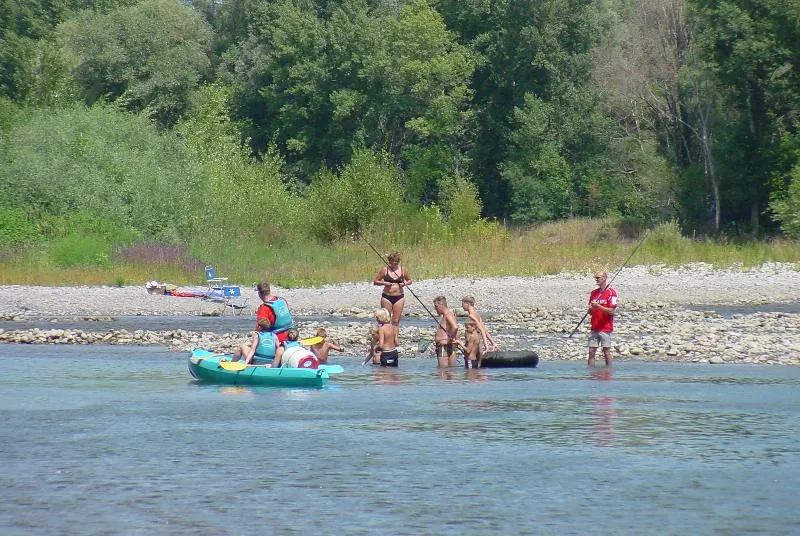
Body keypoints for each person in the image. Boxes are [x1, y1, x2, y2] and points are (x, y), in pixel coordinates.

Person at [373, 252, 412, 326]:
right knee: (385, 319)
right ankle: (385, 332)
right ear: (389, 261)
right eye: (393, 261)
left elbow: (410, 281)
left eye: (396, 261)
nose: (394, 263)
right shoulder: (385, 270)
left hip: (399, 297)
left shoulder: (403, 269)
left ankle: (395, 333)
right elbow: (375, 281)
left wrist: (404, 283)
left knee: (396, 320)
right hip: (387, 297)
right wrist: (384, 283)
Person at [587, 271, 618, 367]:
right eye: (595, 278)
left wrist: (598, 306)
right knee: (591, 351)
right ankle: (591, 372)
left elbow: (612, 311)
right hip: (594, 327)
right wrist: (590, 309)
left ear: (604, 278)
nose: (596, 279)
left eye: (598, 277)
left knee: (606, 351)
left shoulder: (611, 293)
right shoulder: (593, 293)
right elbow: (590, 312)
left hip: (605, 327)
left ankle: (609, 371)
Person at [433, 296, 459, 367]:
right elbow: (456, 329)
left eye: (436, 306)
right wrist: (456, 339)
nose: (435, 309)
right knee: (451, 370)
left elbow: (455, 327)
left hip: (444, 345)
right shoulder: (447, 315)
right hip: (448, 345)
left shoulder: (448, 314)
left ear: (441, 305)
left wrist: (449, 340)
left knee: (443, 370)